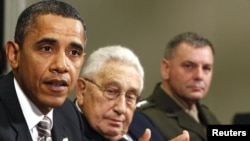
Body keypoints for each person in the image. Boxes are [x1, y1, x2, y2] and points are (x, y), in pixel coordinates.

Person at [0, 1, 87, 140]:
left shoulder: (69, 114)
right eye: (47, 48)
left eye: (74, 52)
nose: (61, 66)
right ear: (14, 54)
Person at [75, 45, 190, 141]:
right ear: (82, 90)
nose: (121, 108)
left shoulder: (141, 121)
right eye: (111, 92)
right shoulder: (64, 128)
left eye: (130, 97)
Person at [137, 32, 220, 141]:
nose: (199, 76)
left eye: (206, 68)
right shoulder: (143, 118)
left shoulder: (208, 115)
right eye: (188, 66)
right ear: (166, 69)